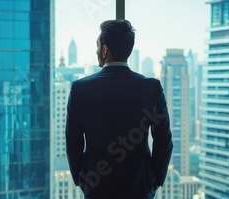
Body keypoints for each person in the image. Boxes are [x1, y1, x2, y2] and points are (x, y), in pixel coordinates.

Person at [65, 19, 173, 199]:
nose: (96, 51)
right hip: (139, 188)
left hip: (96, 186)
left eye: (98, 45)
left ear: (105, 50)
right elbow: (163, 141)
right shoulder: (151, 88)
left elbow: (73, 143)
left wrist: (81, 180)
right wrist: (155, 180)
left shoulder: (80, 89)